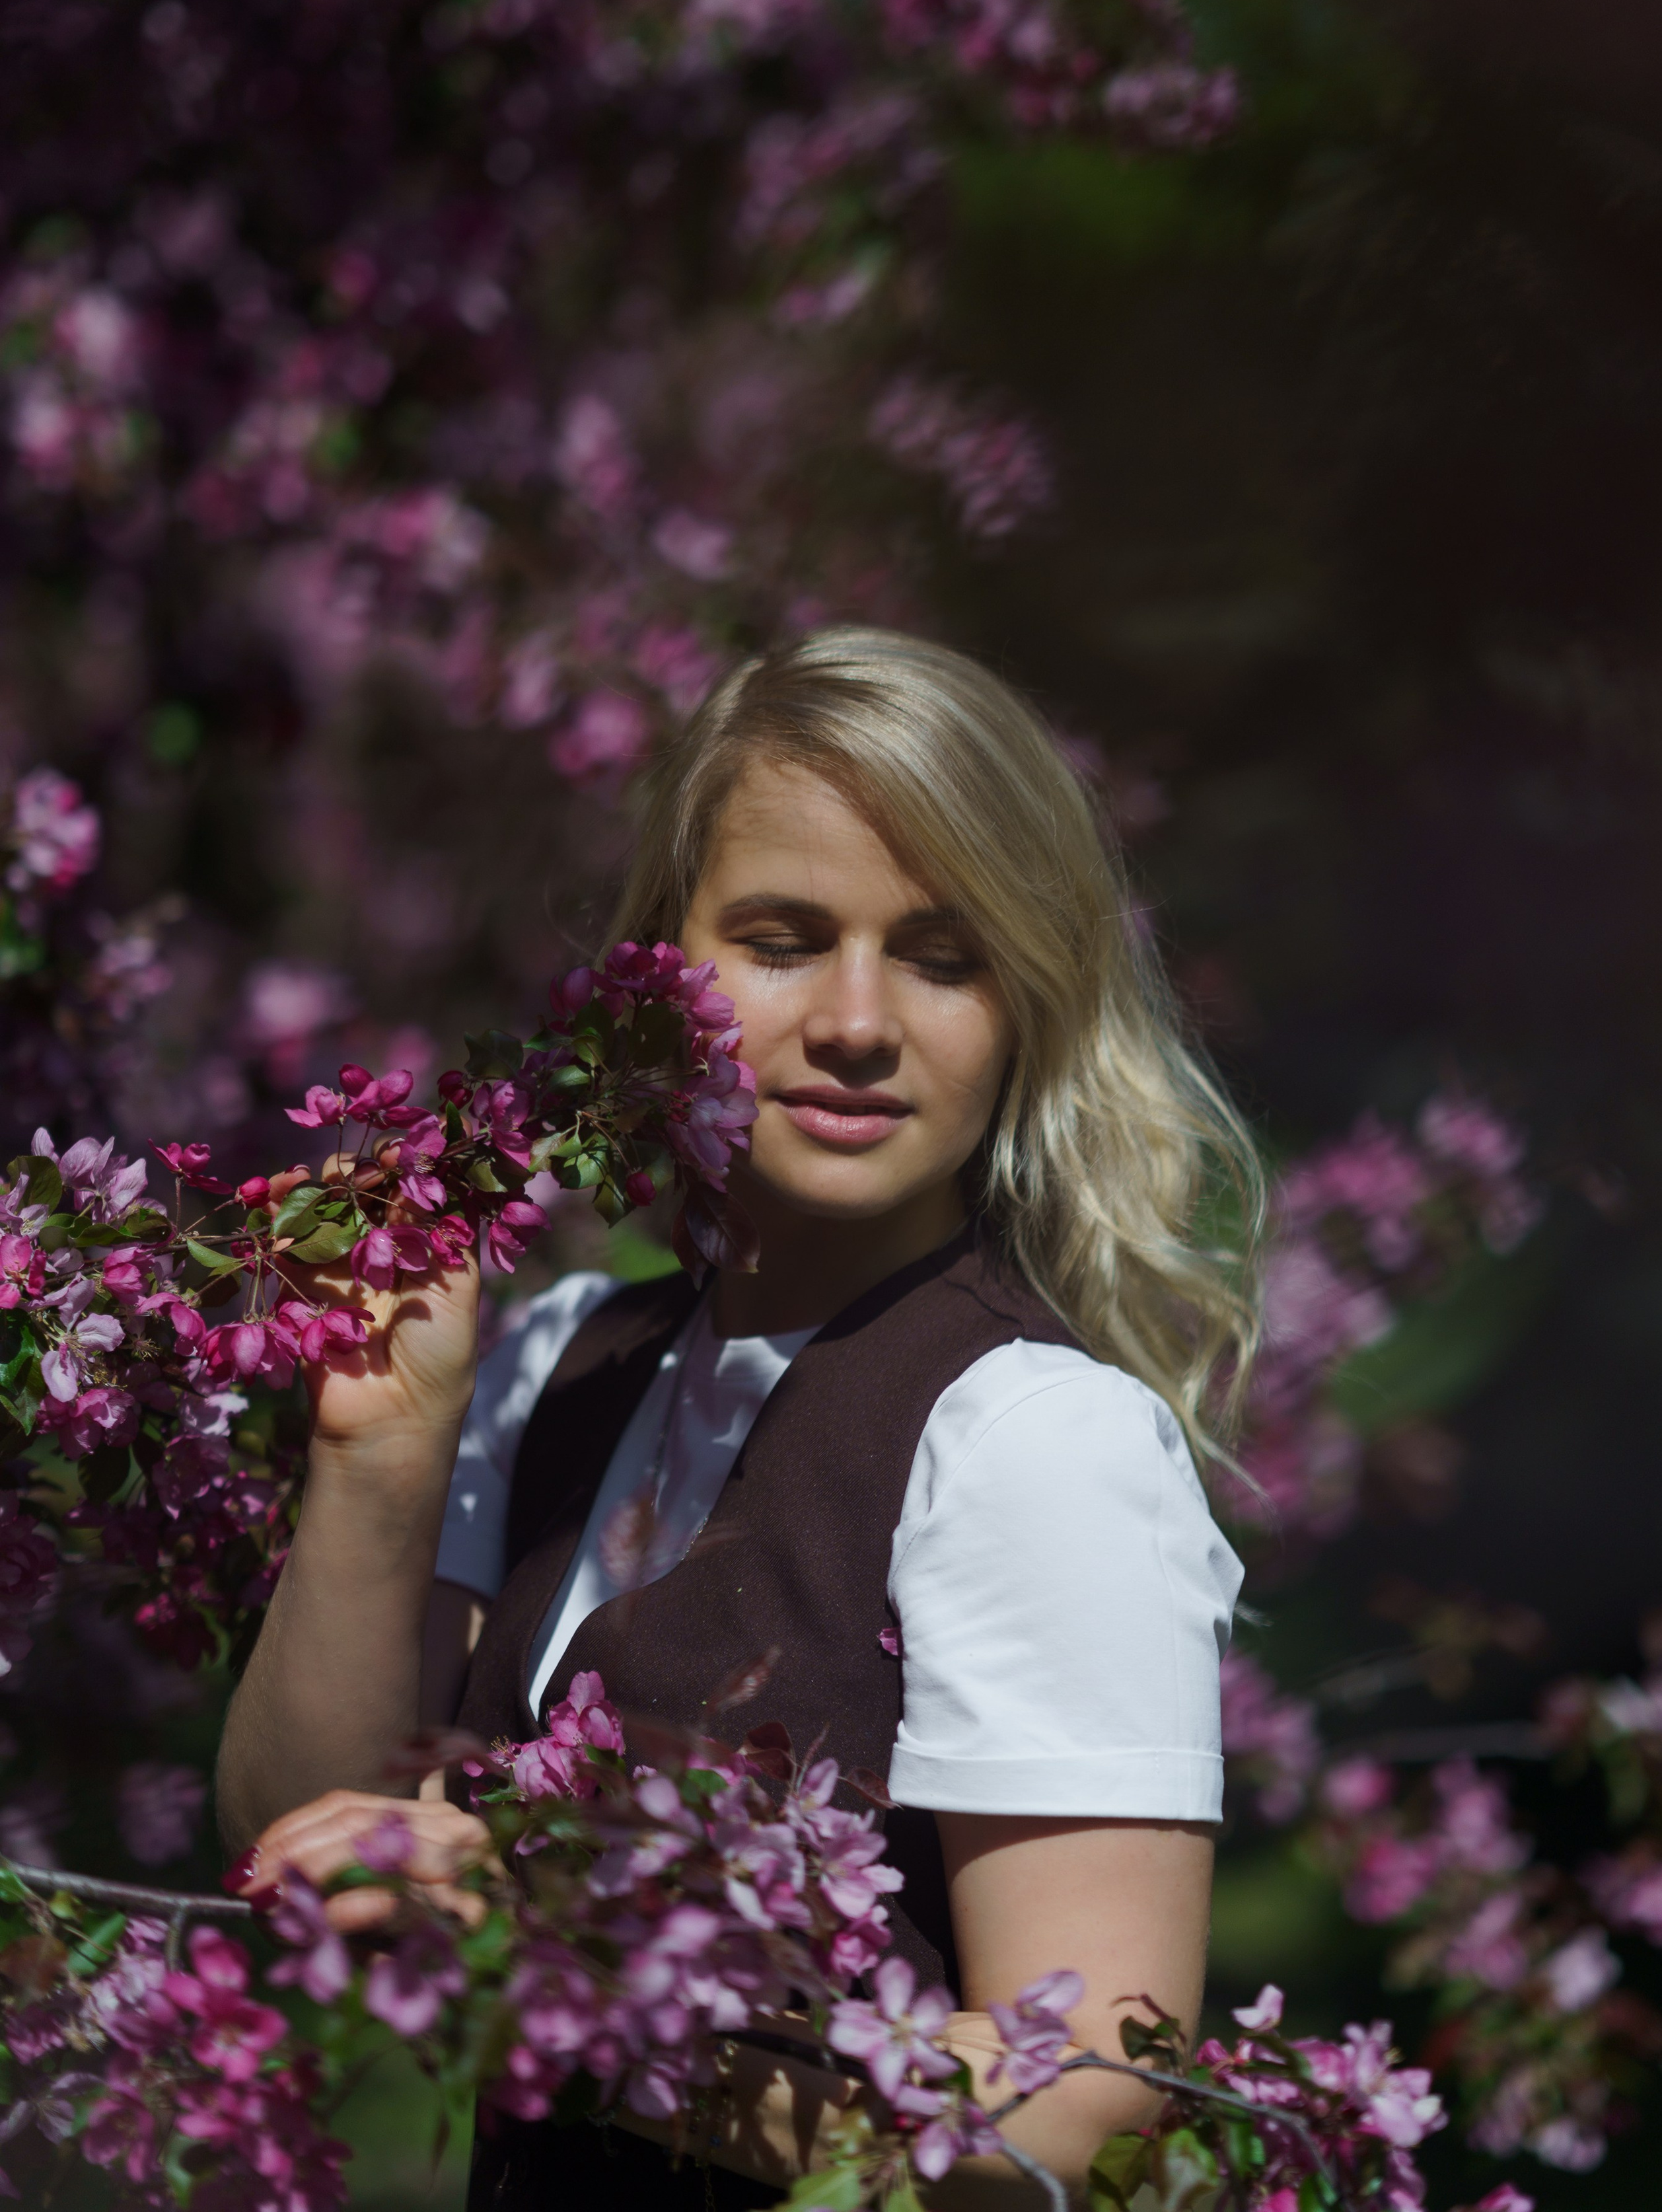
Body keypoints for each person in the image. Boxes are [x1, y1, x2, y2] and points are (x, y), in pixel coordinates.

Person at [216, 627, 1262, 2207]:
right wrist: (381, 1455)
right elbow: (301, 1843)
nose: (856, 1019)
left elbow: (1092, 2112)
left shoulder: (1031, 1440)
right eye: (781, 939)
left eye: (942, 956)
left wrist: (570, 1974)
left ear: (1022, 1008)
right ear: (658, 973)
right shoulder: (558, 1363)